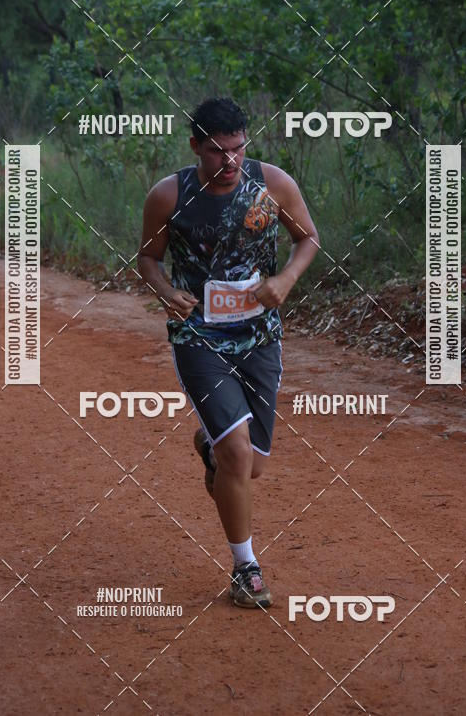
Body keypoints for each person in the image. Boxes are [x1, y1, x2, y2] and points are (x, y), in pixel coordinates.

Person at [138, 97, 319, 608]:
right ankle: (246, 569)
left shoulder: (273, 185)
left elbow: (308, 238)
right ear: (195, 146)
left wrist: (285, 279)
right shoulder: (168, 196)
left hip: (260, 335)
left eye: (238, 149)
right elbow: (148, 259)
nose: (230, 162)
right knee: (237, 454)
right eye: (218, 152)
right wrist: (166, 292)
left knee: (251, 466)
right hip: (199, 336)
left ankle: (213, 445)